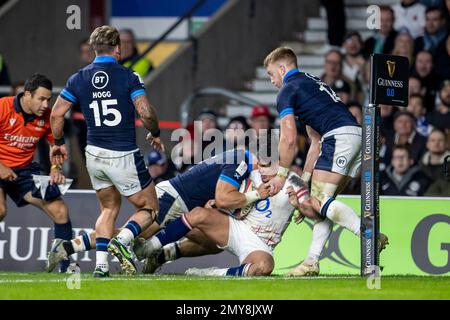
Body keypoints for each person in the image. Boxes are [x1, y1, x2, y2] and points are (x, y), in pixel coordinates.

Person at [49, 25, 163, 277]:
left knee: (109, 209)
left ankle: (101, 267)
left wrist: (57, 143)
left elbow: (56, 113)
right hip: (122, 153)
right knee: (150, 208)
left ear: (93, 49)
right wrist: (155, 133)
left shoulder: (78, 78)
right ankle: (122, 241)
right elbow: (144, 112)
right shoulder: (128, 76)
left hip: (94, 154)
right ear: (117, 48)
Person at [46, 148, 271, 272]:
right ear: (261, 161)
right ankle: (68, 246)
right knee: (135, 234)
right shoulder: (243, 159)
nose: (266, 175)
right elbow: (224, 199)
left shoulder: (239, 160)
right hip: (174, 197)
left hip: (183, 203)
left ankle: (159, 254)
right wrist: (255, 195)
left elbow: (218, 197)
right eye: (267, 168)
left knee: (212, 243)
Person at [262, 47, 368, 275]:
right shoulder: (310, 83)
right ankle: (311, 262)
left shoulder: (287, 90)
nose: (272, 81)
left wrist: (281, 175)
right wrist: (304, 184)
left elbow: (289, 139)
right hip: (355, 137)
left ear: (282, 68)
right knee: (323, 205)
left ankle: (367, 233)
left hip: (338, 137)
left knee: (320, 202)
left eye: (271, 74)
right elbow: (315, 143)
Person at [0, 74, 73, 272]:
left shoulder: (48, 117)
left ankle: (65, 271)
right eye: (41, 99)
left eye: (48, 99)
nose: (45, 104)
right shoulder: (3, 107)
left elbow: (55, 146)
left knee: (60, 211)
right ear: (27, 95)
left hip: (23, 171)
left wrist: (55, 168)